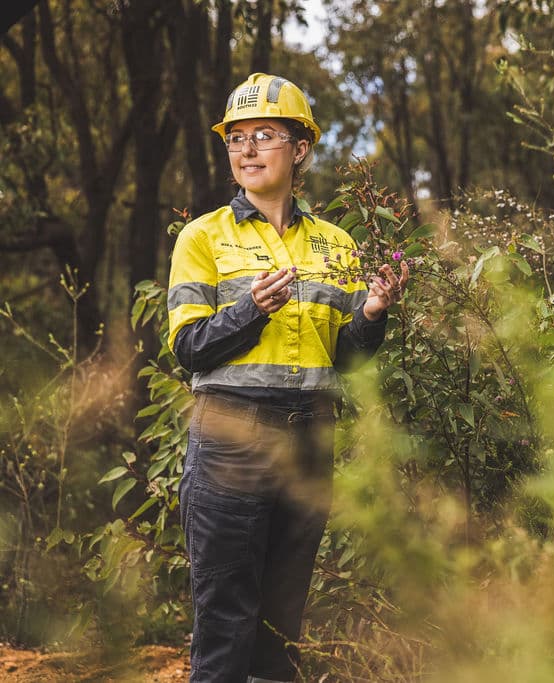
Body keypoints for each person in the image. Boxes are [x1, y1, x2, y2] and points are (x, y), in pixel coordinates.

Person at [167, 72, 409, 682]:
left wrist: (373, 317)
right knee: (225, 620)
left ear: (299, 149)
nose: (246, 150)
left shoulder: (337, 245)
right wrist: (253, 310)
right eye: (236, 138)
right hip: (230, 438)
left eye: (264, 135)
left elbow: (348, 361)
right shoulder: (202, 237)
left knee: (282, 624)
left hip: (310, 438)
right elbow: (189, 348)